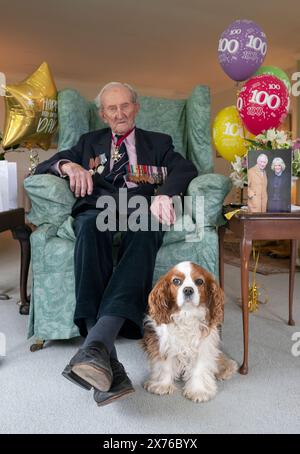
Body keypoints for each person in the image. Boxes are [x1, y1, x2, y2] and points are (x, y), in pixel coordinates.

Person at [34, 82, 198, 406]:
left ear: (135, 108)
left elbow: (185, 168)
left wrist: (164, 194)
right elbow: (46, 165)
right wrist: (70, 166)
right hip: (98, 209)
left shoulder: (158, 142)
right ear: (103, 114)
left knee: (148, 228)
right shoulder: (87, 143)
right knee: (90, 228)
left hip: (140, 209)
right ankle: (104, 350)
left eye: (125, 106)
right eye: (112, 108)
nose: (119, 113)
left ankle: (95, 345)